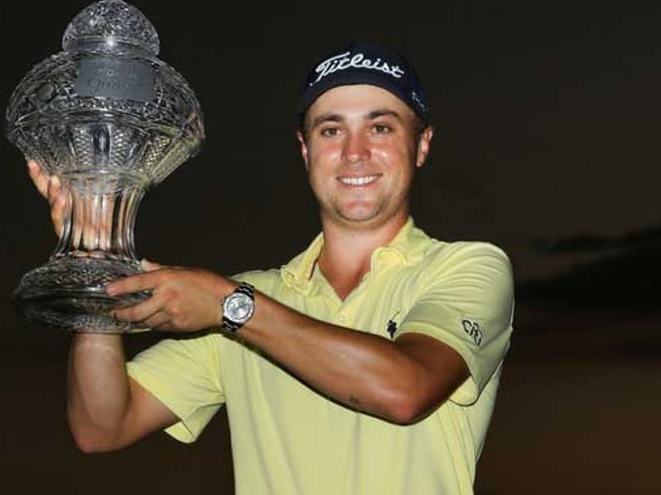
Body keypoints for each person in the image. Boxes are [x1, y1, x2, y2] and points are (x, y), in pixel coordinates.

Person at [27, 41, 514, 494]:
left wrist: (230, 307)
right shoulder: (249, 302)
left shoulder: (468, 267)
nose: (354, 152)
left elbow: (405, 390)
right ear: (305, 151)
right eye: (330, 130)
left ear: (422, 144)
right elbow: (101, 426)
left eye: (380, 127)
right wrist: (95, 263)